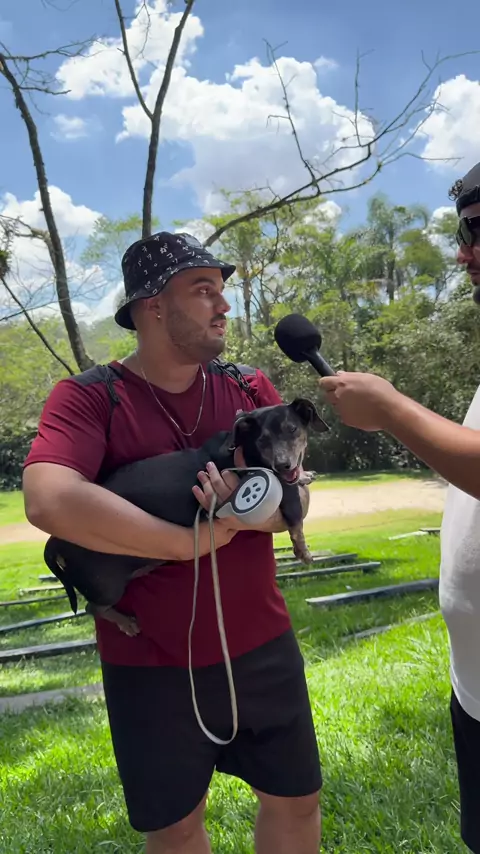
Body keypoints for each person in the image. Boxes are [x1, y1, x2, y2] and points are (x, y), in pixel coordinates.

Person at [22, 231, 322, 854]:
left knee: (297, 803)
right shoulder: (90, 397)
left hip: (262, 641)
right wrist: (189, 543)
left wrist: (238, 511)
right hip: (149, 663)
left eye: (221, 289)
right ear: (152, 306)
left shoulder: (249, 388)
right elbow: (48, 499)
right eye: (203, 289)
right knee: (177, 828)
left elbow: (296, 500)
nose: (223, 304)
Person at [317, 161, 480, 854]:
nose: (463, 254)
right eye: (462, 234)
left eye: (476, 231)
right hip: (473, 691)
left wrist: (391, 409)